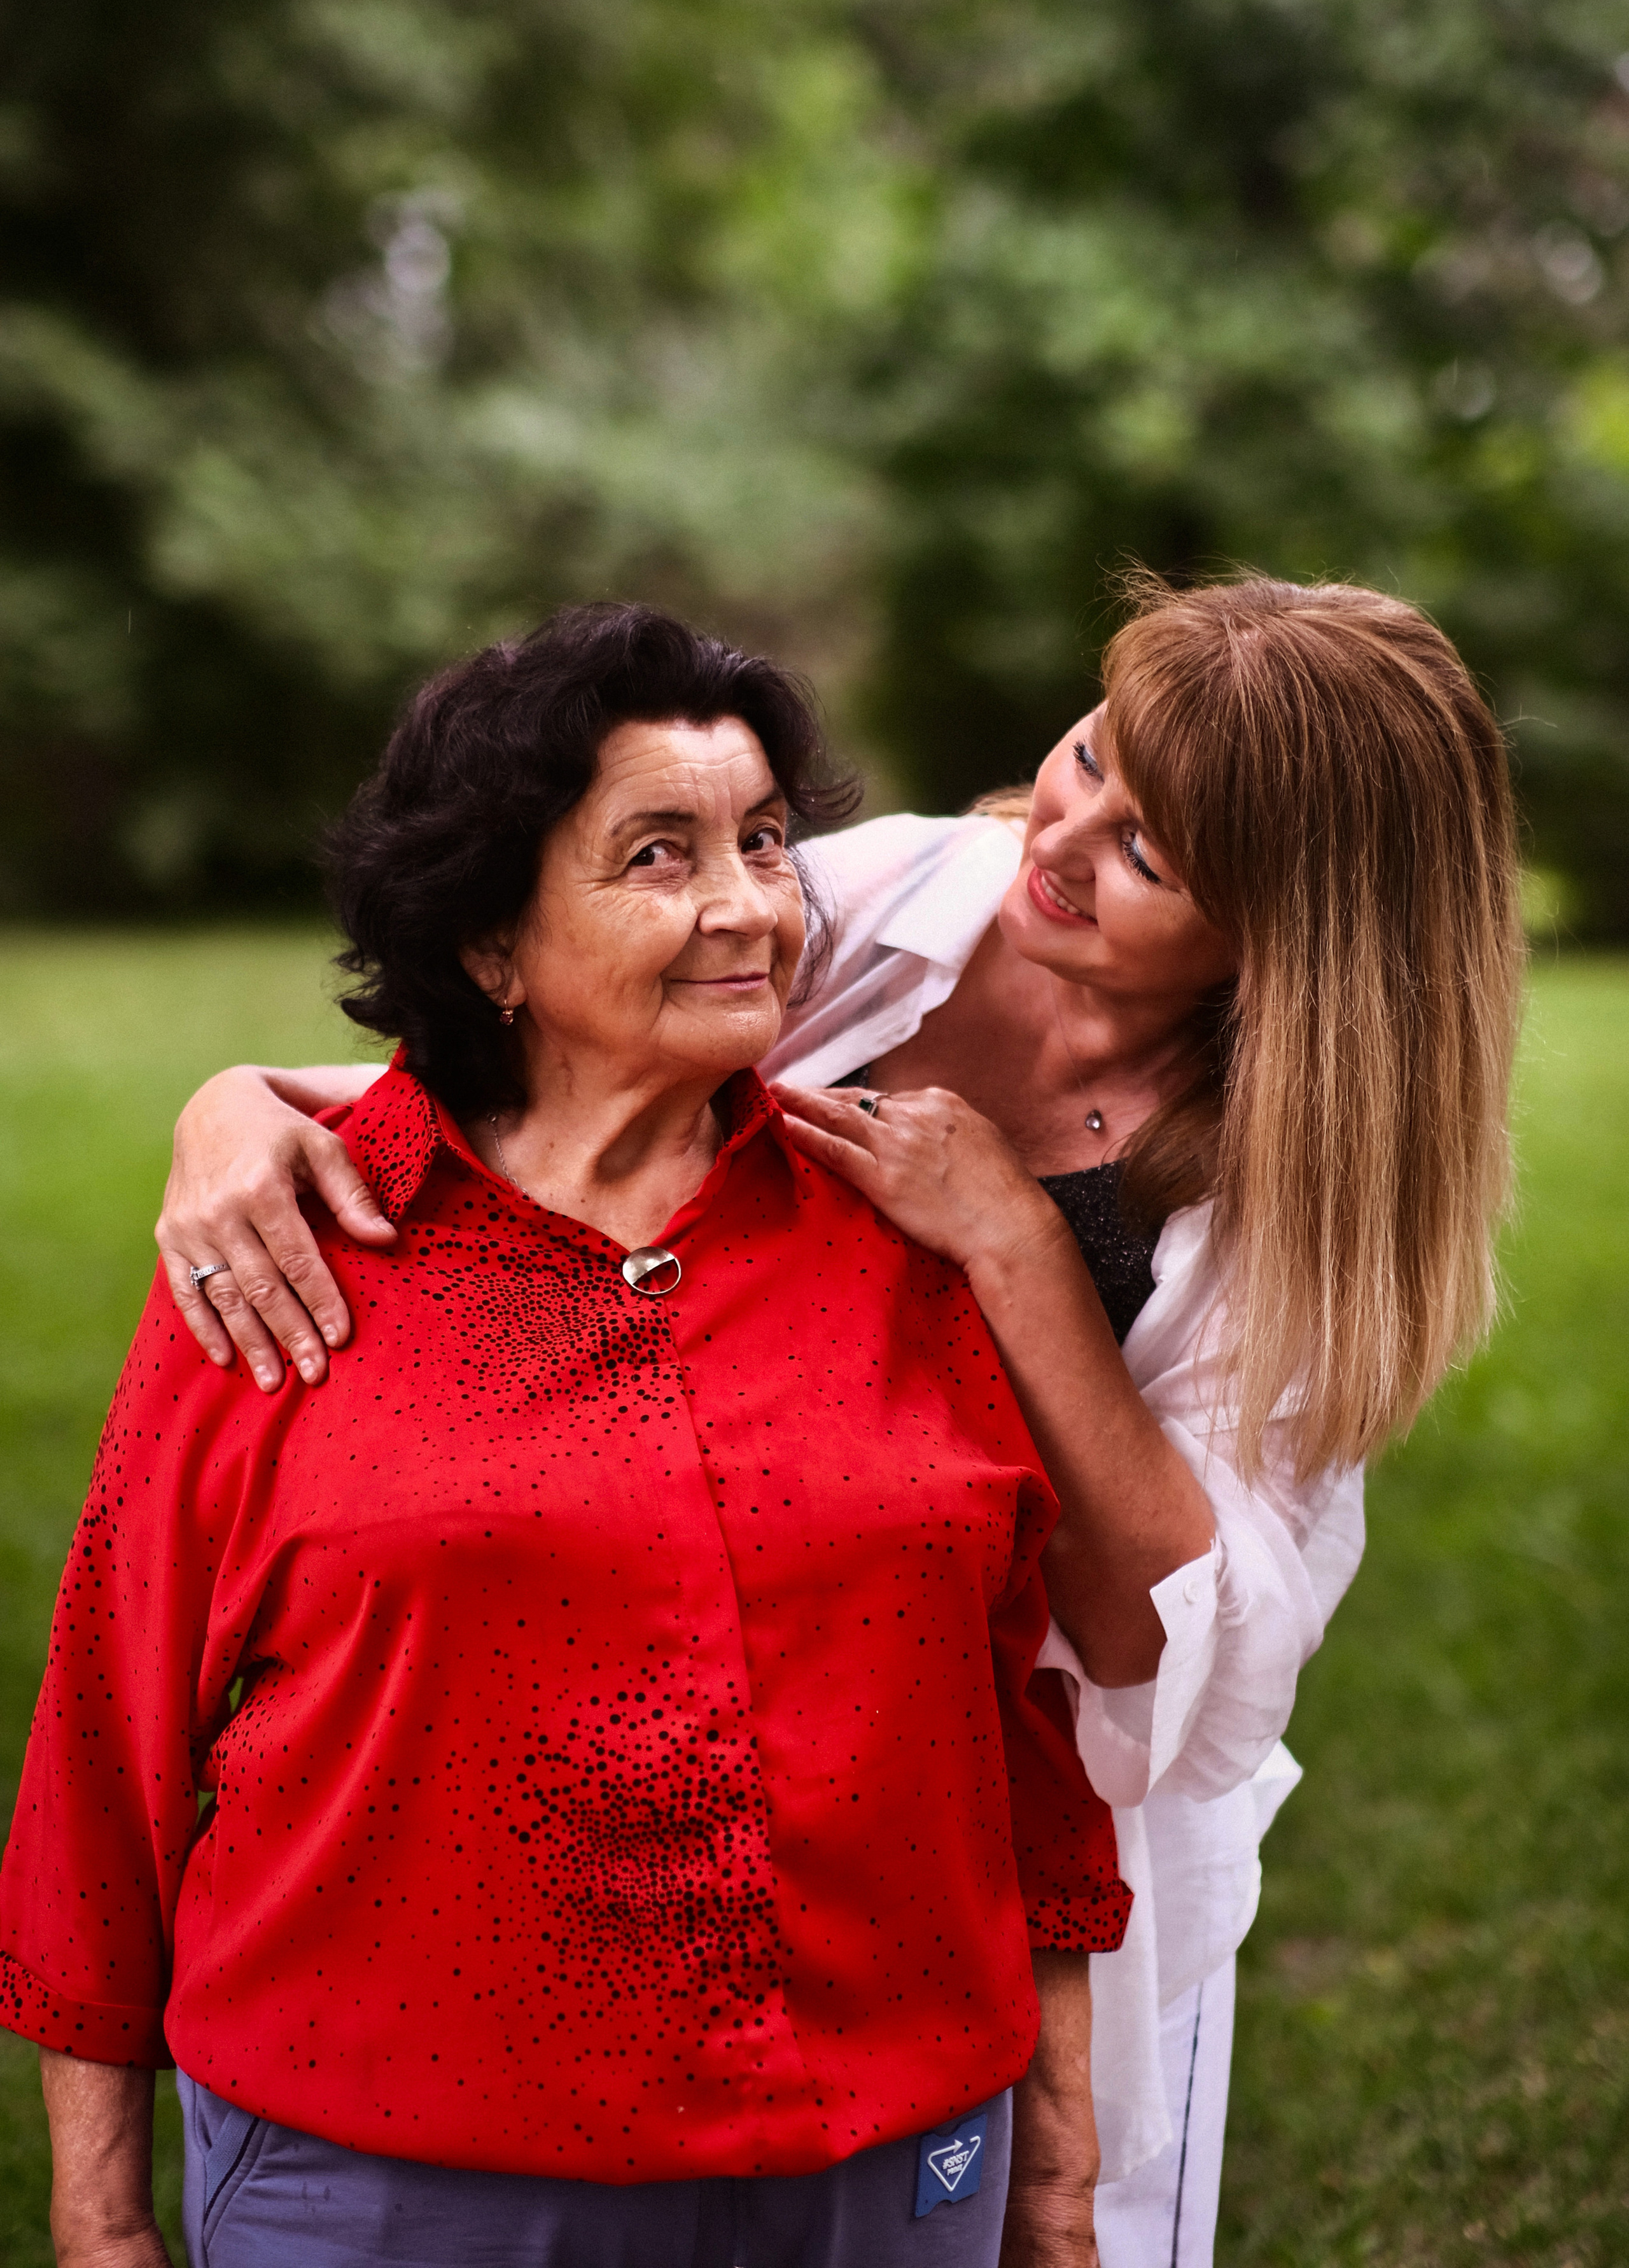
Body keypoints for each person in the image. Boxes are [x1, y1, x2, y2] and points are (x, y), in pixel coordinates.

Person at [150, 573, 1525, 2267]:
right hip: (773, 1714)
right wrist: (232, 1109)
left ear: (1290, 938)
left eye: (1150, 857)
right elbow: (552, 1080)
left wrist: (1017, 1247)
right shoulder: (890, 898)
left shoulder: (1305, 1193)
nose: (1064, 838)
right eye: (1090, 755)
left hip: (1039, 1839)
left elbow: (1178, 1655)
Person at [0, 605, 1145, 2268]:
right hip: (393, 2188)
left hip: (887, 2178)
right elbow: (111, 1740)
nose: (750, 904)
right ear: (490, 943)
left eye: (762, 840)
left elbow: (1017, 1737)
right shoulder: (280, 1248)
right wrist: (100, 2224)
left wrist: (1055, 2182)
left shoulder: (901, 1236)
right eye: (659, 855)